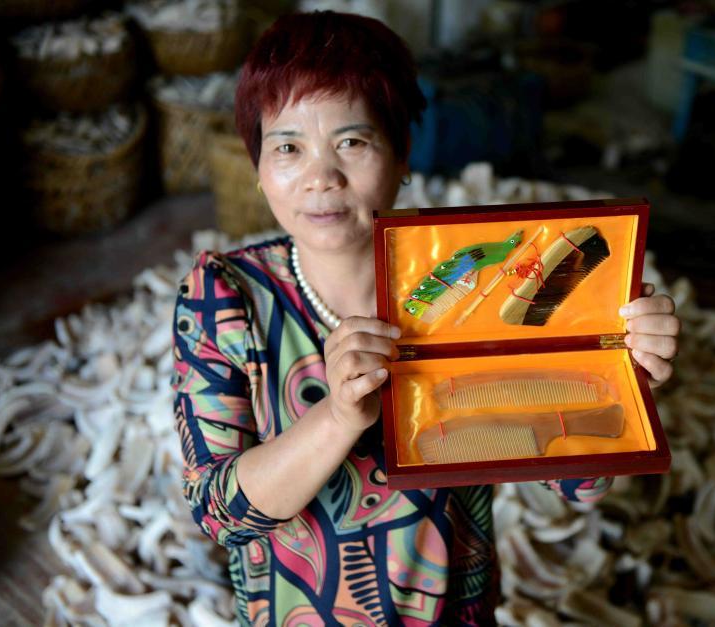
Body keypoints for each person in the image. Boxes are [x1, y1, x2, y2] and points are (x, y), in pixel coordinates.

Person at [171, 10, 681, 626]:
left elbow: (579, 487)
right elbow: (220, 513)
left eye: (352, 142)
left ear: (402, 151)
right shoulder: (226, 299)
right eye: (287, 147)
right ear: (257, 166)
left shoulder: (470, 289)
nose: (321, 178)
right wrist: (336, 417)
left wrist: (626, 378)